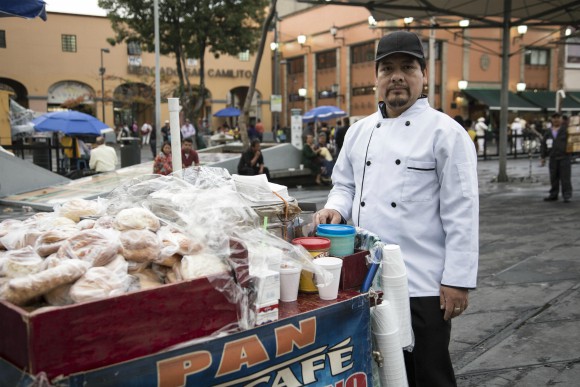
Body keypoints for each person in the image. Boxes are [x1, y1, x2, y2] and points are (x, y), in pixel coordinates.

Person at [315, 31, 479, 387]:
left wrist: (458, 281)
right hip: (367, 278)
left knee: (429, 373)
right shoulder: (358, 132)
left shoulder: (446, 134)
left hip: (424, 284)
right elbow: (344, 184)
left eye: (407, 66)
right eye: (387, 68)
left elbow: (462, 211)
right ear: (376, 78)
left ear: (423, 76)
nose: (397, 76)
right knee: (376, 369)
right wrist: (335, 209)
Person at [541, 112, 572, 202]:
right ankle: (553, 194)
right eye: (554, 118)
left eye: (558, 118)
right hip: (553, 158)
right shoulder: (548, 131)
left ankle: (567, 195)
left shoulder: (566, 130)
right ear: (551, 119)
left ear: (561, 119)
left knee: (565, 178)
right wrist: (543, 157)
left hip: (564, 157)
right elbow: (543, 145)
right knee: (553, 178)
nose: (556, 120)